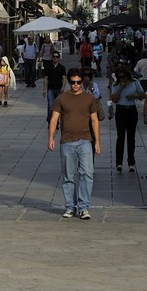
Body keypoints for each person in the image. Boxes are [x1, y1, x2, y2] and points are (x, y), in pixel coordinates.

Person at [48, 69, 100, 218]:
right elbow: (54, 119)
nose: (76, 85)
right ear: (69, 82)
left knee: (87, 174)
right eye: (73, 82)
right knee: (68, 176)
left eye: (78, 82)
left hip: (85, 141)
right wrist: (51, 138)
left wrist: (97, 142)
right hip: (67, 141)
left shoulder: (89, 99)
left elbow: (95, 120)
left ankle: (83, 207)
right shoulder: (61, 98)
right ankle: (70, 206)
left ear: (82, 82)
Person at [109, 66, 145, 172]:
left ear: (127, 75)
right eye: (119, 77)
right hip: (120, 110)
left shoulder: (134, 82)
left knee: (131, 136)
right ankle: (119, 163)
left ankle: (131, 162)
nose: (121, 79)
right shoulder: (115, 85)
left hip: (131, 110)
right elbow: (114, 100)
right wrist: (121, 87)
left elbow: (143, 95)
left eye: (123, 77)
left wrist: (134, 96)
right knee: (120, 137)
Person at [44, 49, 67, 121]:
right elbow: (46, 78)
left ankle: (56, 121)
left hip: (59, 89)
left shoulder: (62, 67)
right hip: (50, 89)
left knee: (58, 106)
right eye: (54, 57)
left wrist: (63, 87)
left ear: (59, 58)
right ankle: (50, 120)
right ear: (52, 57)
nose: (55, 58)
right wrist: (45, 89)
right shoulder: (48, 67)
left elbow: (64, 78)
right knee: (51, 105)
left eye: (57, 57)